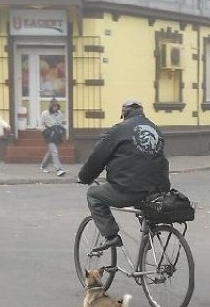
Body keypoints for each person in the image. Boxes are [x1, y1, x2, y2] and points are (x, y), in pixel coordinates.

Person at [77, 100, 170, 251]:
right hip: (158, 189)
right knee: (142, 199)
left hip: (128, 189)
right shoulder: (155, 128)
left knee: (94, 195)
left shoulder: (119, 129)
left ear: (124, 114)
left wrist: (85, 177)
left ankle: (111, 236)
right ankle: (149, 235)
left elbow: (98, 156)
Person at [39, 98, 67, 177]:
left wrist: (63, 131)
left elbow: (62, 124)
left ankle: (43, 166)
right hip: (49, 135)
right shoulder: (45, 113)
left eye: (56, 106)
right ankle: (59, 169)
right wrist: (46, 131)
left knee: (51, 151)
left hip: (57, 135)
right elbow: (40, 125)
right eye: (53, 106)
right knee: (54, 152)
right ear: (50, 106)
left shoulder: (60, 114)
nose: (55, 108)